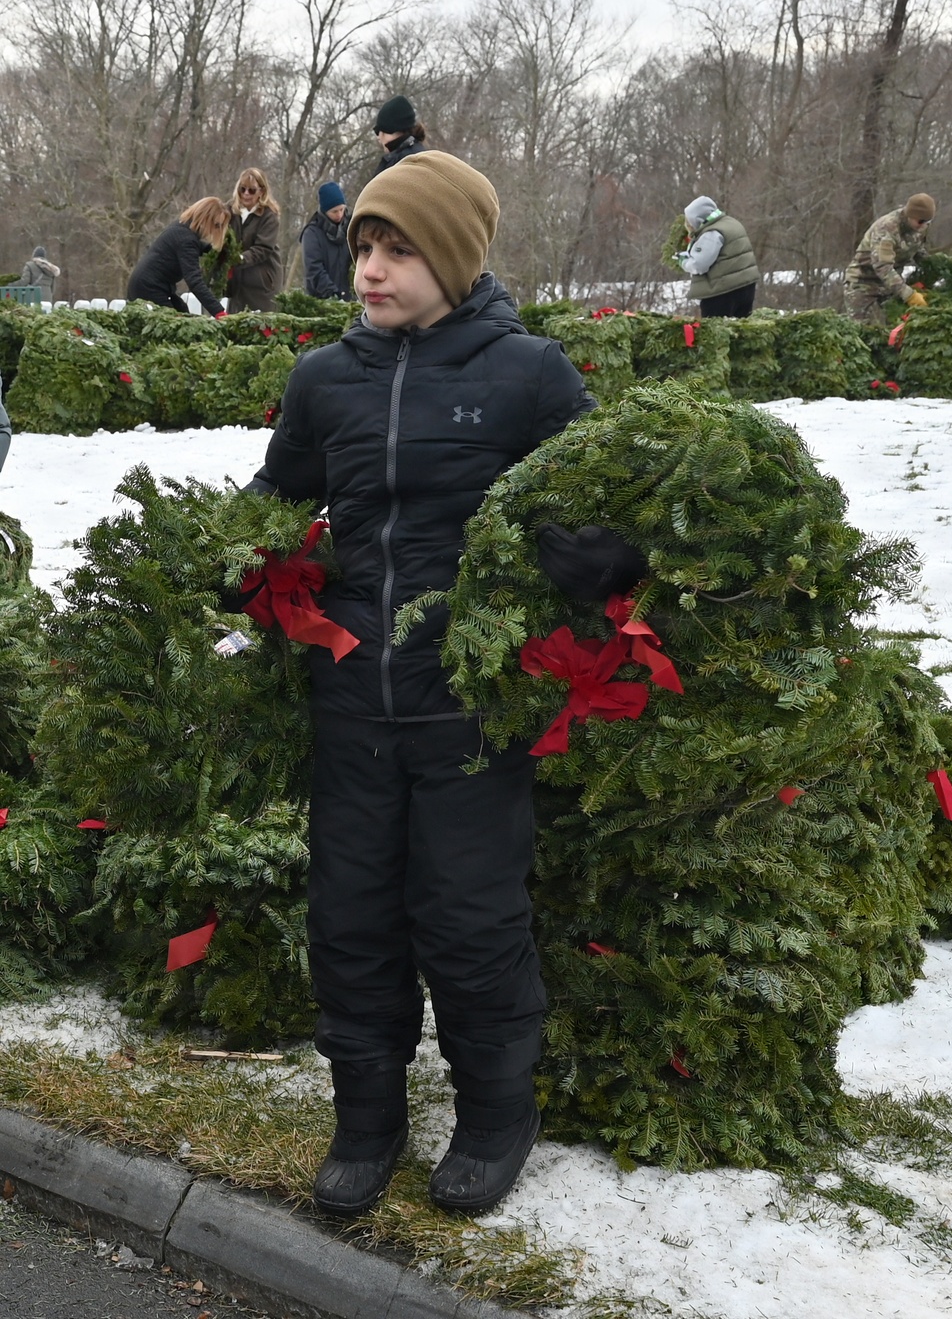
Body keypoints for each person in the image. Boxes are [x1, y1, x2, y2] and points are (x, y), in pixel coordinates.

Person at [243, 151, 640, 1219]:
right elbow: (277, 501)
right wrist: (236, 560)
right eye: (365, 246)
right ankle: (366, 1116)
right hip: (350, 702)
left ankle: (494, 1111)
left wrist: (587, 559)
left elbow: (607, 518)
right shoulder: (324, 378)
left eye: (399, 249)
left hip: (469, 708)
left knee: (468, 916)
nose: (370, 268)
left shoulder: (529, 375)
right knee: (351, 915)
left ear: (456, 260)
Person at [127, 199, 229, 317]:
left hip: (148, 285)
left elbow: (195, 247)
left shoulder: (182, 228)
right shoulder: (186, 239)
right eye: (216, 225)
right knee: (175, 327)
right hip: (149, 289)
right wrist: (219, 312)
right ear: (205, 218)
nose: (215, 230)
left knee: (183, 314)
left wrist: (213, 252)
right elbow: (195, 282)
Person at [844, 194, 935, 323]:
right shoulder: (887, 228)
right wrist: (909, 295)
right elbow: (883, 267)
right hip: (863, 280)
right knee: (859, 329)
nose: (923, 225)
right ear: (910, 215)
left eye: (927, 221)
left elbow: (917, 250)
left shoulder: (921, 227)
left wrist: (931, 267)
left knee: (899, 324)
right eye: (920, 221)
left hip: (891, 284)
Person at [674, 197, 759, 318]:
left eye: (689, 221)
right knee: (740, 331)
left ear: (697, 218)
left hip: (722, 293)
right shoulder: (731, 223)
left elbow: (699, 264)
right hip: (746, 288)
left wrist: (683, 261)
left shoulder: (712, 233)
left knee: (714, 332)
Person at [227, 168, 282, 312]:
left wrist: (239, 259)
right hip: (237, 284)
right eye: (242, 189)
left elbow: (262, 249)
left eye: (251, 190)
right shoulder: (230, 211)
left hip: (261, 286)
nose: (246, 194)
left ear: (261, 192)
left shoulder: (269, 216)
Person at [299, 182, 352, 300]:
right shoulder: (312, 234)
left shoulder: (352, 227)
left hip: (350, 297)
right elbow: (314, 269)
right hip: (321, 299)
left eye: (342, 209)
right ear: (324, 210)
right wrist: (333, 295)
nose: (339, 215)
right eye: (334, 211)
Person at [372, 94, 427, 176]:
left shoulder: (401, 163)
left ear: (390, 130)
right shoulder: (421, 156)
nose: (378, 137)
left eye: (378, 131)